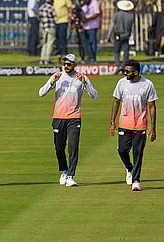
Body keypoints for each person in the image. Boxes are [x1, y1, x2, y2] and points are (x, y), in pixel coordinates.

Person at [39, 54, 98, 186]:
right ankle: (64, 170)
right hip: (58, 117)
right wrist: (52, 82)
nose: (66, 66)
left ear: (75, 65)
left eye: (69, 64)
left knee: (73, 147)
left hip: (74, 118)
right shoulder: (58, 76)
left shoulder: (81, 78)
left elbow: (95, 95)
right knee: (59, 148)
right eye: (65, 63)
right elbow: (41, 93)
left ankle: (71, 175)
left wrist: (86, 83)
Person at [109, 60, 158, 191]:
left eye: (128, 71)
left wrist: (153, 128)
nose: (125, 73)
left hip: (141, 124)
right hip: (124, 123)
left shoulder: (147, 85)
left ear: (136, 72)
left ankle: (136, 180)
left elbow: (152, 106)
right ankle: (129, 168)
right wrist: (112, 122)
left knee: (138, 153)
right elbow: (116, 101)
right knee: (122, 150)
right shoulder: (121, 83)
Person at [107, 0, 135, 74]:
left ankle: (118, 65)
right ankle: (123, 66)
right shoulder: (131, 16)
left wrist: (108, 36)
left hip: (118, 35)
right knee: (126, 52)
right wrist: (133, 38)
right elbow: (133, 29)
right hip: (127, 36)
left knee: (116, 51)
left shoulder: (117, 14)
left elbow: (112, 25)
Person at [39, 0, 57, 65]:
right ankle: (47, 59)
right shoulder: (51, 8)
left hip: (44, 28)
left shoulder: (41, 7)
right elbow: (55, 19)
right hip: (51, 27)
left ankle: (42, 59)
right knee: (50, 44)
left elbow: (39, 18)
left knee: (44, 44)